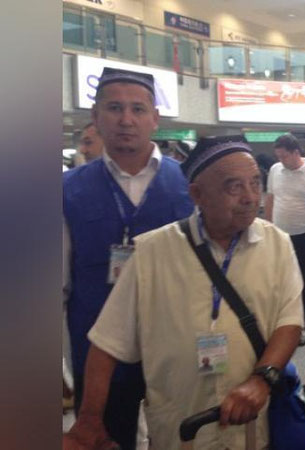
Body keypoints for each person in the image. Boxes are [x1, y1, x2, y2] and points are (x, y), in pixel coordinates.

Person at [64, 135, 305, 450]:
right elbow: (107, 343)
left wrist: (262, 380)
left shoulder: (277, 244)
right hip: (179, 428)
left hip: (250, 427)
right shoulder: (152, 252)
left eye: (255, 183)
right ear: (197, 195)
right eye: (234, 187)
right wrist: (89, 420)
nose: (249, 197)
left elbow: (289, 322)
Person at [62, 67, 195, 450]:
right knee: (105, 438)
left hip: (176, 344)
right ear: (96, 116)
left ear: (155, 118)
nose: (126, 119)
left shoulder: (191, 183)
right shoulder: (66, 190)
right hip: (97, 351)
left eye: (138, 109)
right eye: (114, 108)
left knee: (181, 437)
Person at [265, 133, 305, 345]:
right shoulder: (275, 170)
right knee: (278, 282)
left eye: (284, 156)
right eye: (278, 156)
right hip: (279, 235)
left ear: (296, 152)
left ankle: (300, 328)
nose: (281, 160)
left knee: (302, 282)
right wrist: (268, 229)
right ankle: (278, 325)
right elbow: (271, 200)